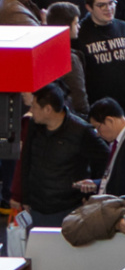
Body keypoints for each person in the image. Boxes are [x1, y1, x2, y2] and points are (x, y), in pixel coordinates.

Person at [10, 82, 106, 227]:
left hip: (67, 208)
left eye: (35, 107)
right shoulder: (33, 126)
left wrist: (92, 187)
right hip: (36, 206)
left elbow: (106, 159)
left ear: (48, 109)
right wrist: (25, 198)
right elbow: (26, 161)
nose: (31, 110)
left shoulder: (81, 131)